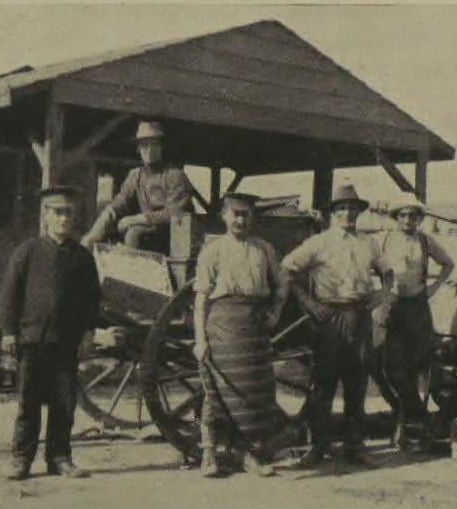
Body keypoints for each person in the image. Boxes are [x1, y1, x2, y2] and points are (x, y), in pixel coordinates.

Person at [281, 184, 394, 469]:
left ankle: (355, 446)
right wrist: (308, 303)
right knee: (324, 384)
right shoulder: (320, 242)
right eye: (342, 209)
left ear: (359, 212)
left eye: (353, 208)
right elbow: (287, 269)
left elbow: (388, 271)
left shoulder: (368, 243)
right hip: (329, 318)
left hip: (360, 317)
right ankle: (318, 447)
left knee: (357, 383)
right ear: (333, 213)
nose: (348, 213)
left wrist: (383, 293)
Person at [0, 186, 101, 480]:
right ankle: (21, 459)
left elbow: (92, 299)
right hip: (32, 340)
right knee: (28, 402)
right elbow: (9, 294)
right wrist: (8, 332)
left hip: (66, 343)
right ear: (46, 216)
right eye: (58, 212)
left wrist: (88, 333)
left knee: (63, 403)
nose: (65, 219)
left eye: (70, 212)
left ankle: (59, 458)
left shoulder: (82, 257)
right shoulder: (28, 251)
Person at [192, 193, 289, 478]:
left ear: (252, 218)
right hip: (221, 327)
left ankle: (251, 455)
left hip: (255, 329)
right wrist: (200, 339)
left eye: (245, 214)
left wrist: (274, 315)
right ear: (224, 216)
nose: (240, 220)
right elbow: (201, 299)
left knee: (255, 396)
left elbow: (282, 286)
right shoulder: (212, 250)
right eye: (234, 213)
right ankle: (209, 453)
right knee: (215, 394)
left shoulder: (265, 250)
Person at [372, 193, 455, 451]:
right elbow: (366, 266)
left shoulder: (425, 240)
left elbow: (448, 264)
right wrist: (378, 294)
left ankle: (413, 426)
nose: (408, 220)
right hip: (391, 307)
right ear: (396, 217)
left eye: (413, 215)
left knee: (417, 366)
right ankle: (411, 415)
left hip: (417, 309)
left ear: (419, 219)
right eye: (403, 215)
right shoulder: (382, 240)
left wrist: (434, 287)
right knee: (389, 365)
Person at [81, 120, 194, 252]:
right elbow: (118, 204)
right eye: (144, 146)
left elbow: (176, 212)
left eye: (154, 145)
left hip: (174, 236)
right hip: (149, 231)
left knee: (134, 234)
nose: (149, 150)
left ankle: (134, 270)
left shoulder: (174, 175)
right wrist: (95, 233)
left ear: (161, 147)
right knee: (109, 236)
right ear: (138, 149)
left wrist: (138, 219)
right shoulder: (136, 175)